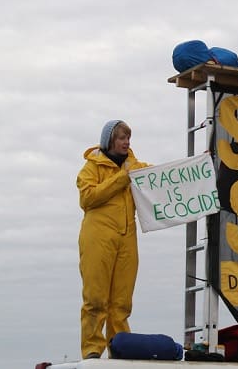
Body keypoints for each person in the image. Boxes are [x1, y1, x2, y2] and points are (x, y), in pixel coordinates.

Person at [76, 120, 148, 359]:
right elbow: (87, 198)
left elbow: (163, 178)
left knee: (121, 302)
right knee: (96, 298)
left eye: (128, 137)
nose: (126, 142)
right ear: (110, 141)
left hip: (127, 237)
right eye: (121, 138)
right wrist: (122, 179)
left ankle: (120, 350)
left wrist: (198, 164)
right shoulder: (91, 167)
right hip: (97, 237)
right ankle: (92, 351)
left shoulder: (136, 166)